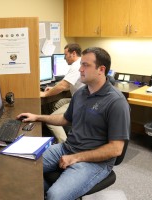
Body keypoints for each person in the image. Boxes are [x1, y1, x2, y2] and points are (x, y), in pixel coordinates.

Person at [18, 47, 130, 200]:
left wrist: (76, 158)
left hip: (95, 162)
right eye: (80, 64)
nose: (80, 69)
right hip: (67, 148)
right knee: (23, 168)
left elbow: (116, 149)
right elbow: (65, 119)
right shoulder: (80, 93)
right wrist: (38, 117)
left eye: (85, 65)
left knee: (55, 195)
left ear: (101, 69)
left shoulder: (116, 102)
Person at [41, 43, 84, 143]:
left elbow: (63, 85)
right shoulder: (81, 63)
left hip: (80, 103)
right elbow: (69, 84)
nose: (64, 58)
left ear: (73, 53)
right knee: (57, 104)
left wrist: (45, 94)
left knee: (50, 121)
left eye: (65, 55)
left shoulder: (76, 66)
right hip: (79, 99)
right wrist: (52, 88)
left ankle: (64, 145)